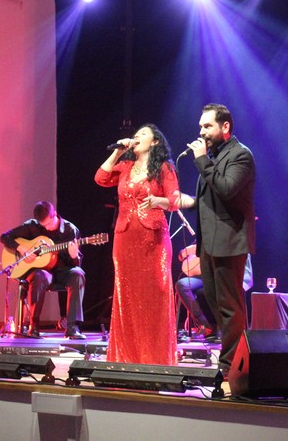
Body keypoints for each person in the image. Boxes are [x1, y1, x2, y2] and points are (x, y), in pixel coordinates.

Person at [95, 123, 181, 365]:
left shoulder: (164, 168)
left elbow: (174, 201)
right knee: (127, 296)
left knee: (154, 296)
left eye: (142, 134)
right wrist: (117, 152)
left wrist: (158, 201)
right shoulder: (125, 166)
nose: (136, 137)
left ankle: (155, 358)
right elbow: (100, 178)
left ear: (155, 142)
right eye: (135, 134)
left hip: (153, 240)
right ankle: (127, 357)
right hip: (124, 238)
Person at [181, 103, 256, 376]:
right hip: (209, 243)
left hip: (229, 241)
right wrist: (181, 201)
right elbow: (210, 199)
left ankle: (231, 365)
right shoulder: (213, 156)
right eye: (200, 126)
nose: (202, 132)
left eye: (207, 126)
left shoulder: (241, 155)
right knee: (215, 302)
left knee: (230, 306)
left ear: (225, 126)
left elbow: (226, 188)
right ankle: (235, 356)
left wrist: (202, 160)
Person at [0, 201, 85, 339]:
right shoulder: (33, 226)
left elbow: (77, 263)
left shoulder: (70, 230)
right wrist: (21, 249)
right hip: (43, 272)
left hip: (63, 271)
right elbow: (5, 237)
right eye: (44, 225)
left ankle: (72, 328)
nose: (47, 228)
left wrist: (74, 255)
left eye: (49, 224)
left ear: (55, 214)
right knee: (38, 276)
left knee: (78, 274)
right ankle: (33, 327)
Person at [175, 245, 254, 341]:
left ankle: (224, 329)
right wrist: (184, 253)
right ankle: (205, 325)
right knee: (182, 284)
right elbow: (183, 257)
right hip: (204, 275)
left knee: (218, 287)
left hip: (225, 275)